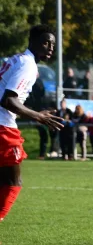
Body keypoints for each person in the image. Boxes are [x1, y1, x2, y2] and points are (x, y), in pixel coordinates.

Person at [0, 25, 64, 222]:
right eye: (46, 42)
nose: (50, 47)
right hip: (3, 127)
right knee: (13, 182)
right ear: (33, 41)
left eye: (53, 44)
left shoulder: (16, 59)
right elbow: (8, 100)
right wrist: (38, 116)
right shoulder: (28, 65)